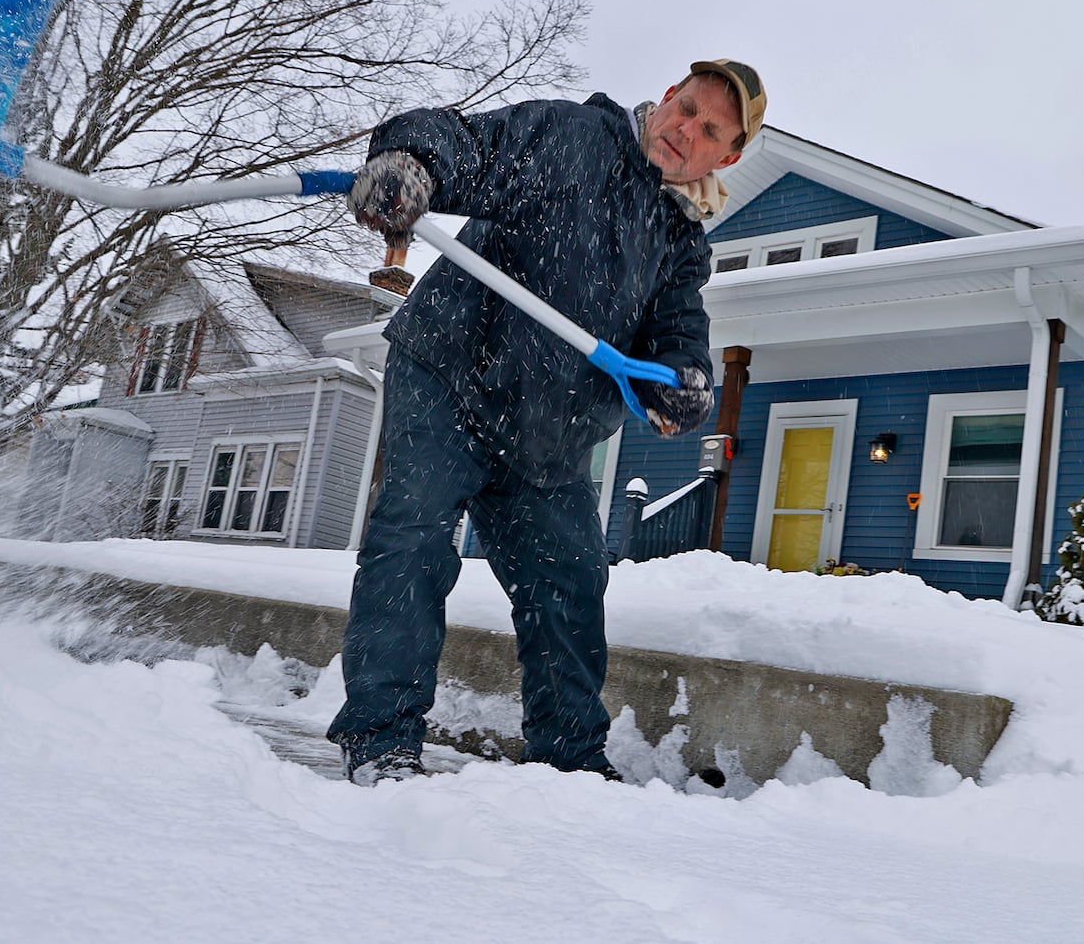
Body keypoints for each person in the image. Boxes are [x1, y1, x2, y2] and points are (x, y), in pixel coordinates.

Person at [325, 59, 768, 785]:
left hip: (548, 438)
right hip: (452, 375)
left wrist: (685, 386)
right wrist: (411, 163)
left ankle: (569, 765)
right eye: (685, 108)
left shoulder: (680, 241)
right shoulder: (577, 138)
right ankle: (381, 740)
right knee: (413, 536)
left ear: (728, 155)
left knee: (570, 581)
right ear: (664, 100)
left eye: (710, 129)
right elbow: (468, 144)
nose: (686, 130)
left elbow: (680, 340)